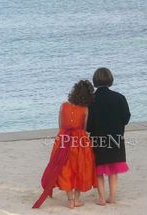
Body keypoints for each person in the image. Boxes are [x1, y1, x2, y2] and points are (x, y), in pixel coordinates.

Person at [33, 80, 97, 209]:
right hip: (80, 141)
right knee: (80, 168)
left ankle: (70, 200)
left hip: (63, 139)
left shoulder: (63, 106)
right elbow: (84, 128)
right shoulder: (85, 109)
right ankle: (77, 200)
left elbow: (60, 125)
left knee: (65, 168)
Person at [87, 67, 131, 205]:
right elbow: (126, 118)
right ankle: (112, 197)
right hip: (116, 138)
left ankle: (101, 198)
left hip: (97, 138)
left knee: (99, 169)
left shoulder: (90, 100)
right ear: (110, 80)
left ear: (95, 81)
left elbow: (88, 125)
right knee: (113, 170)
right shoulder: (119, 97)